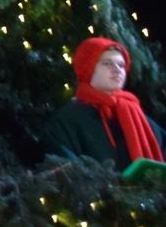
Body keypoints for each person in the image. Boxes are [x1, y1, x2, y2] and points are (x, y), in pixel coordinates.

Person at [42, 37, 164, 168]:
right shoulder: (67, 120)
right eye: (107, 63)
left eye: (121, 65)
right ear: (88, 68)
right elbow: (66, 174)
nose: (117, 69)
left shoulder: (140, 119)